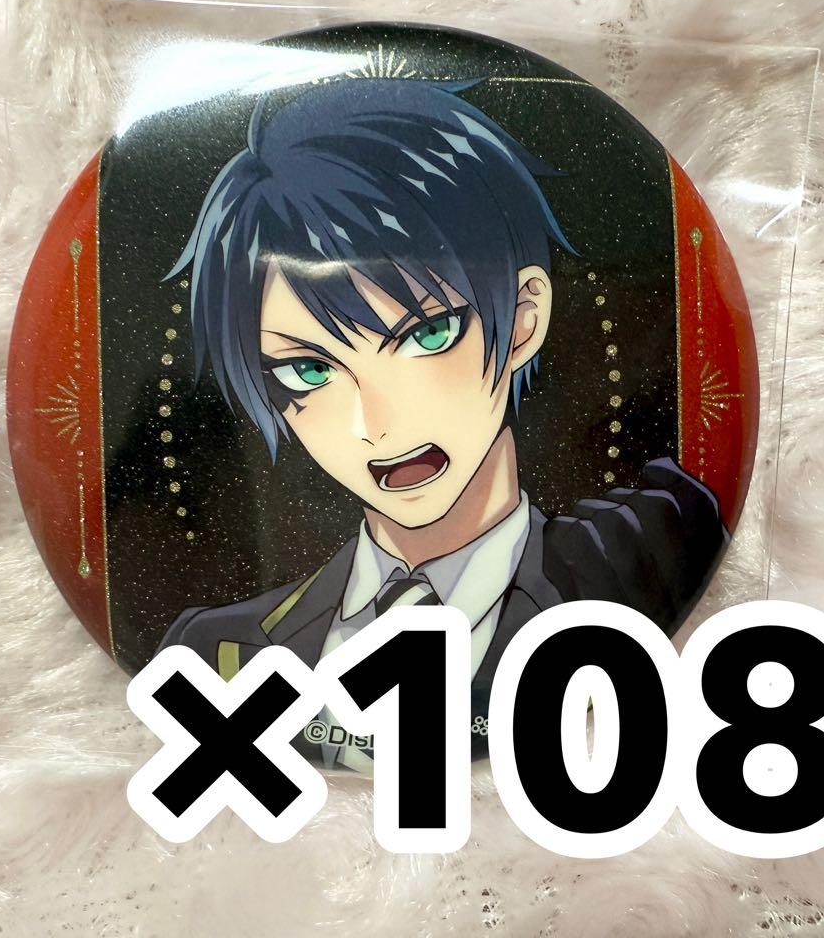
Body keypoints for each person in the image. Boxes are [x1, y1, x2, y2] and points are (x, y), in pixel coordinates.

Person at [156, 77, 726, 767]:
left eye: (428, 335)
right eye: (308, 371)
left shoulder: (641, 566)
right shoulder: (213, 654)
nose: (378, 424)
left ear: (524, 319)